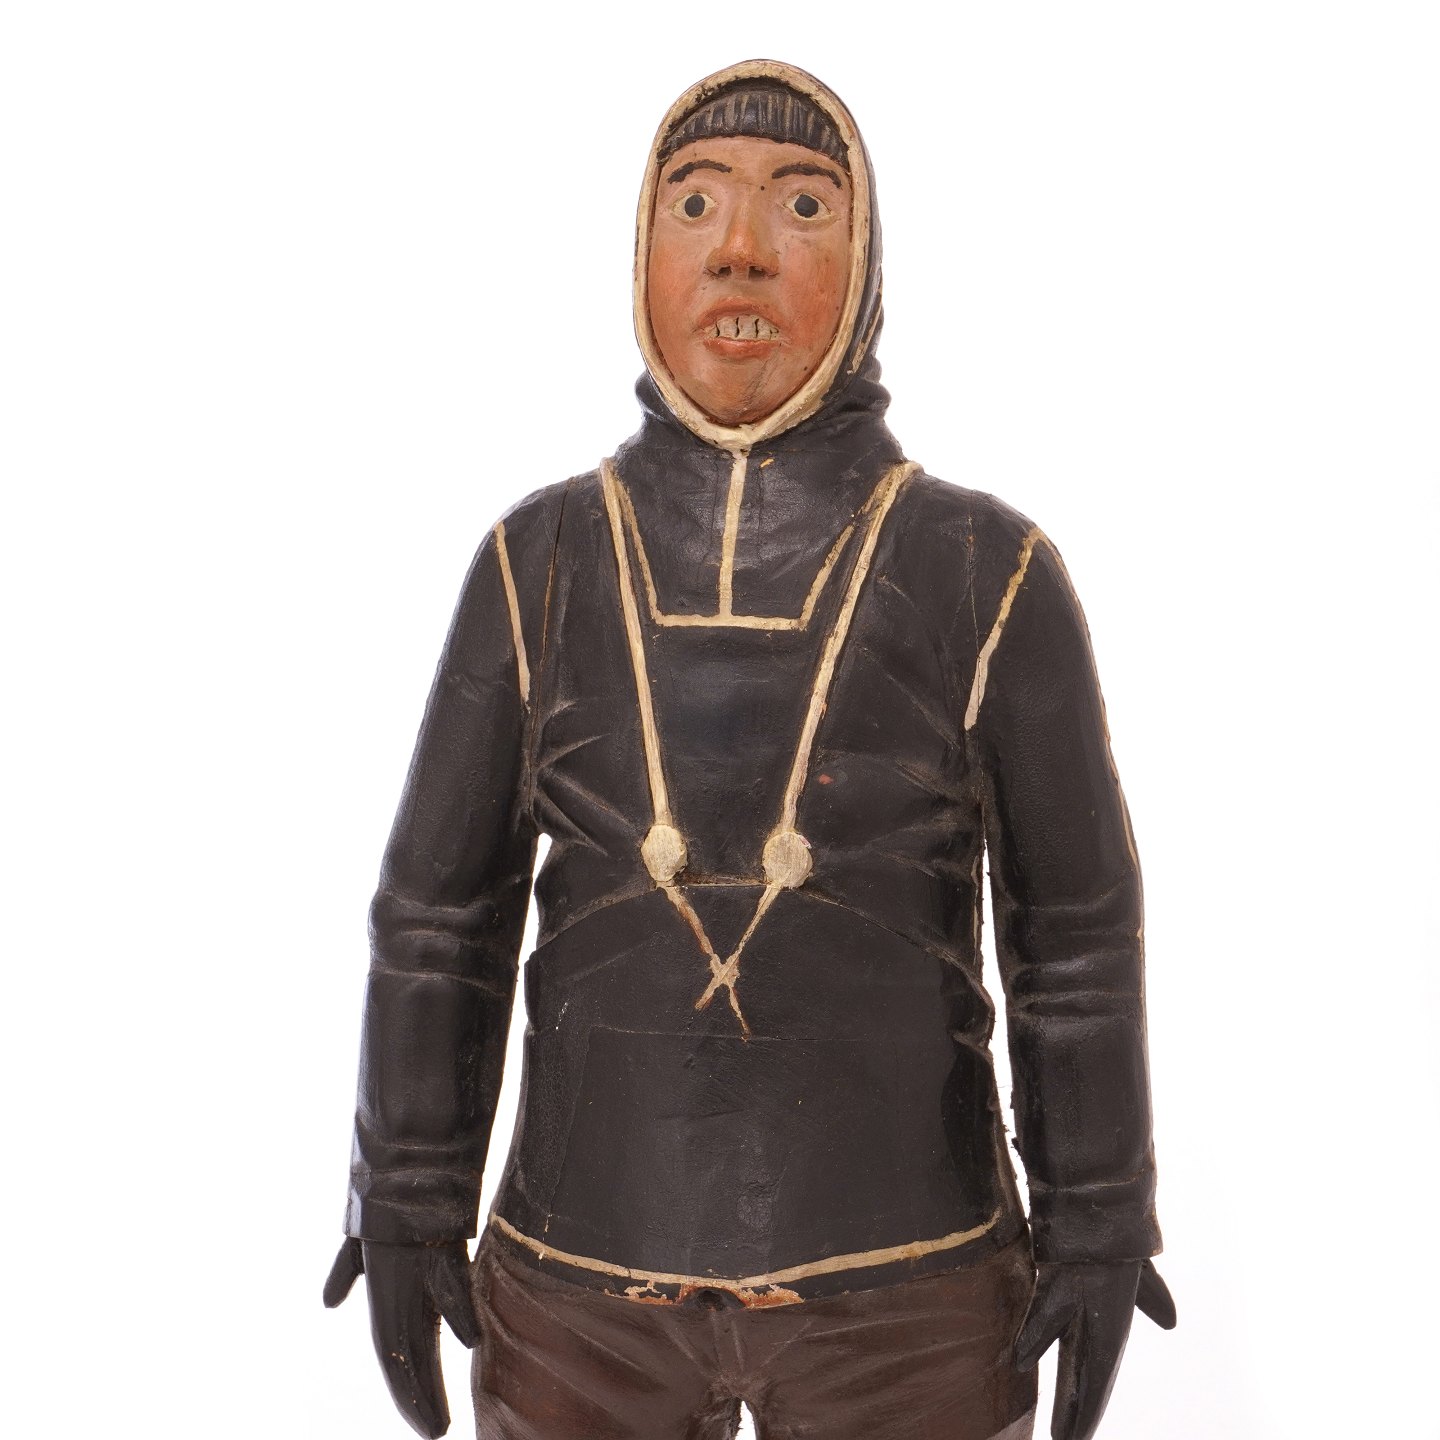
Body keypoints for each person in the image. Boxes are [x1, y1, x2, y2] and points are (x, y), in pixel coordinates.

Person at [325, 58, 1174, 1440]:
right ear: (641, 253)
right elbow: (436, 917)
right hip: (578, 1294)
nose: (739, 248)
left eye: (803, 205)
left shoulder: (987, 569)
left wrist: (1099, 1213)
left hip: (908, 1297)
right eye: (695, 202)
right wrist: (408, 1188)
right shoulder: (538, 561)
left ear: (869, 264)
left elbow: (1074, 931)